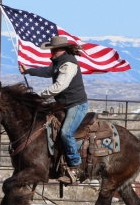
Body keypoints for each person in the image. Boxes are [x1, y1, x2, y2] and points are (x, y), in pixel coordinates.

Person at [19, 36, 88, 184]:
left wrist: (37, 96)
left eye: (54, 49)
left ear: (62, 49)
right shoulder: (59, 63)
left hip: (76, 105)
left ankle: (75, 167)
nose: (52, 52)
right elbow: (46, 71)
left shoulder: (69, 65)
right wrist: (29, 71)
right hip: (63, 105)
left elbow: (59, 86)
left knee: (66, 132)